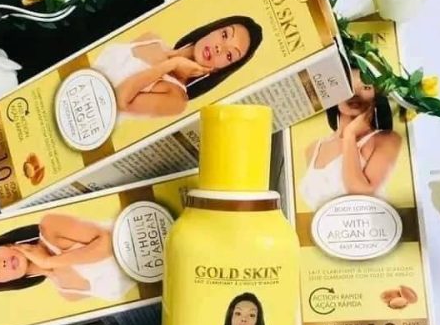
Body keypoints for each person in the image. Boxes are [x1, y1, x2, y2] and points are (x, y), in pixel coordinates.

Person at [92, 15, 263, 118]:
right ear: (213, 29)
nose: (220, 48)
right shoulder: (152, 39)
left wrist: (170, 65)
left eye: (229, 55)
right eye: (224, 35)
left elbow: (118, 100)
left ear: (222, 69)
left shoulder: (176, 99)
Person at [0, 213, 135, 302]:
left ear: (4, 244)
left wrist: (49, 261)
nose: (2, 263)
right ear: (4, 283)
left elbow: (109, 242)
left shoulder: (50, 227)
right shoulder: (68, 293)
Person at [299, 68, 402, 210]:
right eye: (347, 85)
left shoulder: (386, 139)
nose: (355, 94)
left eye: (366, 87)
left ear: (376, 95)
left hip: (370, 222)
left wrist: (349, 135)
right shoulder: (313, 148)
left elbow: (360, 193)